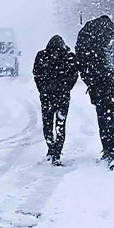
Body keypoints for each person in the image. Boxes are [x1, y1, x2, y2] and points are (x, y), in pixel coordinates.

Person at [75, 15, 114, 170]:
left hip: (101, 90)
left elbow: (84, 64)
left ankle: (107, 148)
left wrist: (92, 82)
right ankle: (113, 150)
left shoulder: (92, 42)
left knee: (103, 120)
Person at [33, 35, 78, 166]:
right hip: (47, 97)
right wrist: (42, 89)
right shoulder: (42, 57)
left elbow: (74, 75)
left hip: (61, 97)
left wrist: (65, 88)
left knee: (60, 126)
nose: (55, 54)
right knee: (47, 126)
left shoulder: (69, 58)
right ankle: (51, 148)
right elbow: (37, 74)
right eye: (53, 51)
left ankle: (57, 153)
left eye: (57, 51)